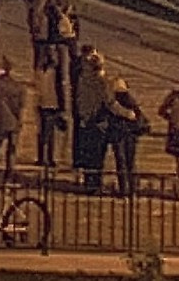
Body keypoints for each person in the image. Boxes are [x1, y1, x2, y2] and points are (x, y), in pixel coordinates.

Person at [72, 49, 111, 193]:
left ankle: (89, 182)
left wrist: (83, 115)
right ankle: (95, 184)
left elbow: (79, 100)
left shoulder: (82, 79)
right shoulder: (101, 81)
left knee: (88, 154)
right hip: (99, 121)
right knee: (97, 156)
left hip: (85, 120)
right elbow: (108, 101)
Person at [0, 58, 27, 181]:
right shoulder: (19, 87)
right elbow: (20, 106)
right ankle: (9, 172)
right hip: (14, 121)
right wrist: (20, 120)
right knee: (12, 149)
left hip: (0, 119)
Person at [104, 82, 146, 196]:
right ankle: (132, 188)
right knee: (130, 163)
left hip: (119, 135)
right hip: (130, 136)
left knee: (121, 162)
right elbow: (140, 120)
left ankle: (124, 189)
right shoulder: (131, 102)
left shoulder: (114, 104)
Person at [33, 56, 66, 169]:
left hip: (50, 104)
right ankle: (45, 157)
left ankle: (46, 157)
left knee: (46, 133)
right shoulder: (44, 72)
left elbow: (60, 90)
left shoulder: (44, 72)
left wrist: (62, 107)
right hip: (45, 104)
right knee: (45, 132)